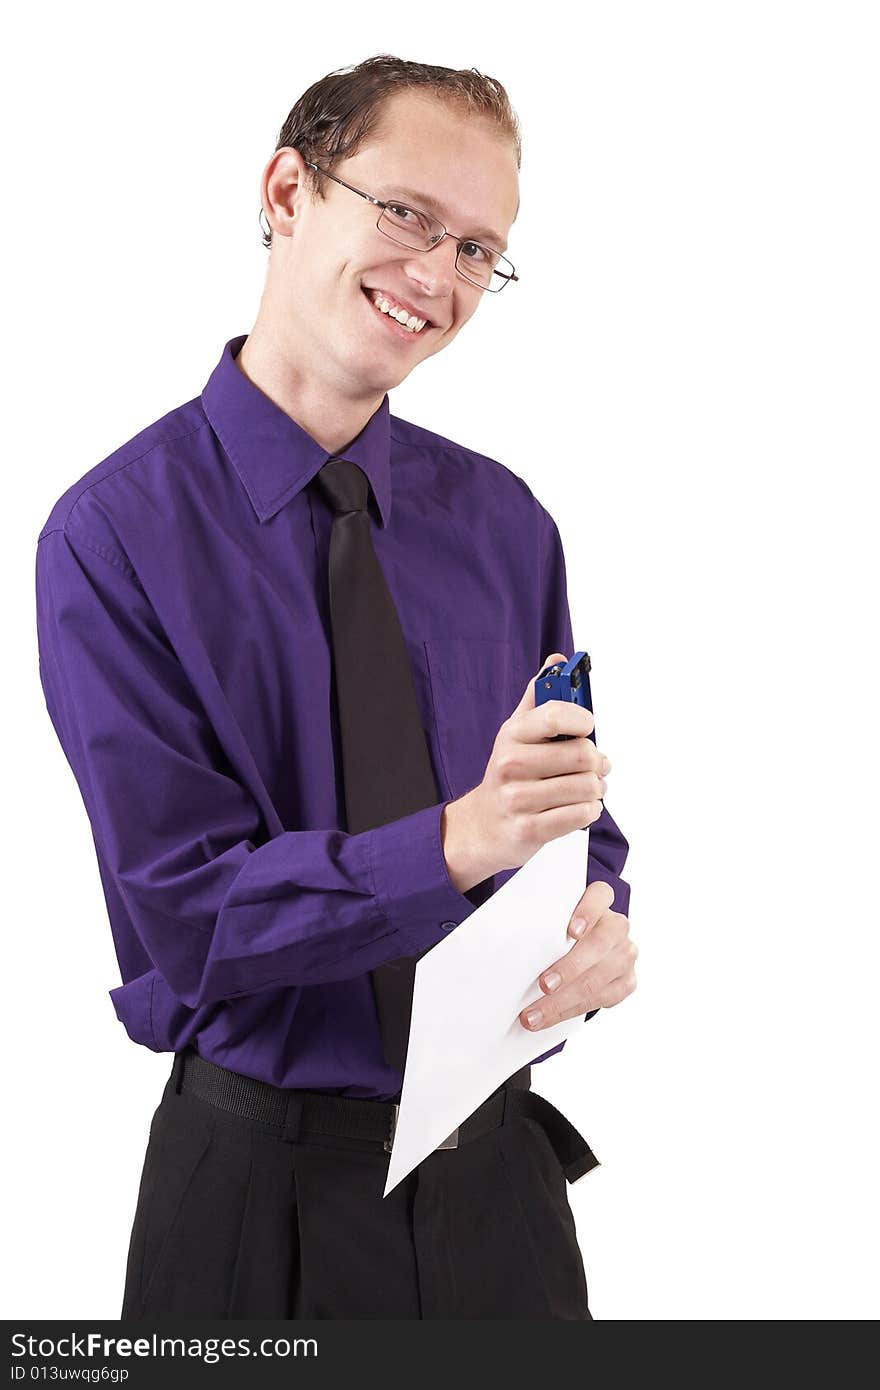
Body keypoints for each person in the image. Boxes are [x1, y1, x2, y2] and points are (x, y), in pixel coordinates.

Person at [34, 54, 637, 1320]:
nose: (439, 274)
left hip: (500, 1193)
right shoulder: (113, 533)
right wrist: (455, 843)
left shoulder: (504, 522)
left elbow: (566, 811)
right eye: (407, 213)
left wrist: (595, 917)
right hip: (260, 1210)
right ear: (288, 189)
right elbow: (185, 915)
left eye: (480, 248)